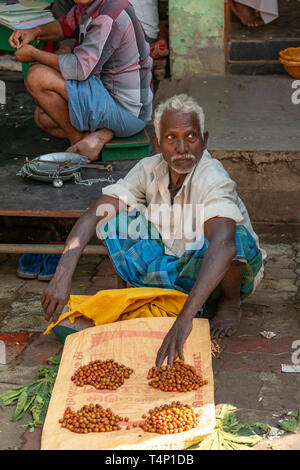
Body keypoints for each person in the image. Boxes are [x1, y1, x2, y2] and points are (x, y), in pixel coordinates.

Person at [41, 94, 266, 367]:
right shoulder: (149, 169)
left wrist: (183, 324)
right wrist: (62, 274)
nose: (182, 148)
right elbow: (94, 214)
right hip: (173, 259)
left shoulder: (212, 176)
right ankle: (163, 299)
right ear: (157, 144)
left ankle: (228, 303)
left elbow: (224, 244)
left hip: (214, 265)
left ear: (204, 140)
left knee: (234, 239)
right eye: (171, 138)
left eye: (191, 136)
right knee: (112, 222)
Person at [8, 0, 153, 162]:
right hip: (111, 96)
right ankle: (97, 136)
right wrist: (35, 31)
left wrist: (34, 55)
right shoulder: (90, 6)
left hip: (128, 111)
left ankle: (77, 142)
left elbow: (79, 68)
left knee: (37, 75)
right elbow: (63, 27)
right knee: (43, 118)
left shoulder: (108, 15)